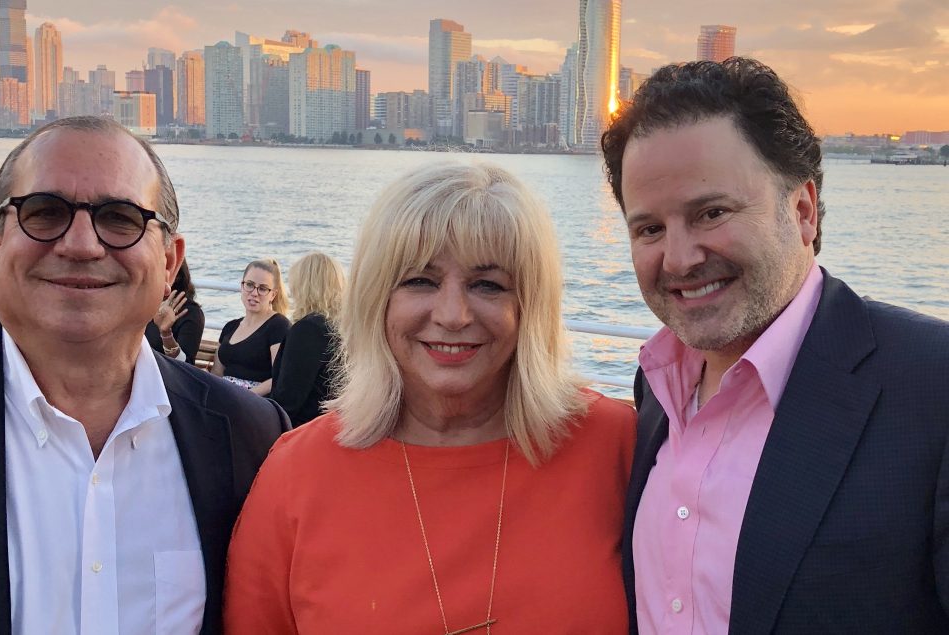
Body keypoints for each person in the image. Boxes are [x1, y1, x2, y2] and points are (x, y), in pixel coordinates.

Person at [0, 115, 289, 633]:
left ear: (169, 263)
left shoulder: (250, 440)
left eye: (121, 218)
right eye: (45, 213)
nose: (82, 245)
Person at [601, 57, 949, 633]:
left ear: (803, 211)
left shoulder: (932, 387)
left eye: (712, 213)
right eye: (650, 229)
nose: (679, 259)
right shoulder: (657, 387)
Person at [225, 163, 636, 633]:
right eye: (420, 280)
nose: (453, 315)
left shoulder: (615, 448)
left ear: (531, 305)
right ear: (375, 299)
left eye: (488, 285)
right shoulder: (297, 472)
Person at [271, 251, 344, 427]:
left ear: (304, 286)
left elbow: (288, 400)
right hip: (332, 425)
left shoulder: (308, 330)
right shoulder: (342, 328)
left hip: (304, 429)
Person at [211, 258, 291, 395]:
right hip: (224, 396)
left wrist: (244, 397)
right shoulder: (230, 327)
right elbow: (217, 373)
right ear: (242, 286)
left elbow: (279, 378)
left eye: (263, 288)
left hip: (254, 400)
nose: (254, 293)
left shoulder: (278, 326)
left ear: (273, 295)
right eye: (249, 285)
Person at [145, 259, 206, 364]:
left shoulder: (190, 312)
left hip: (162, 372)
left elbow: (185, 366)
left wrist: (166, 334)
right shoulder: (142, 304)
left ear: (175, 275)